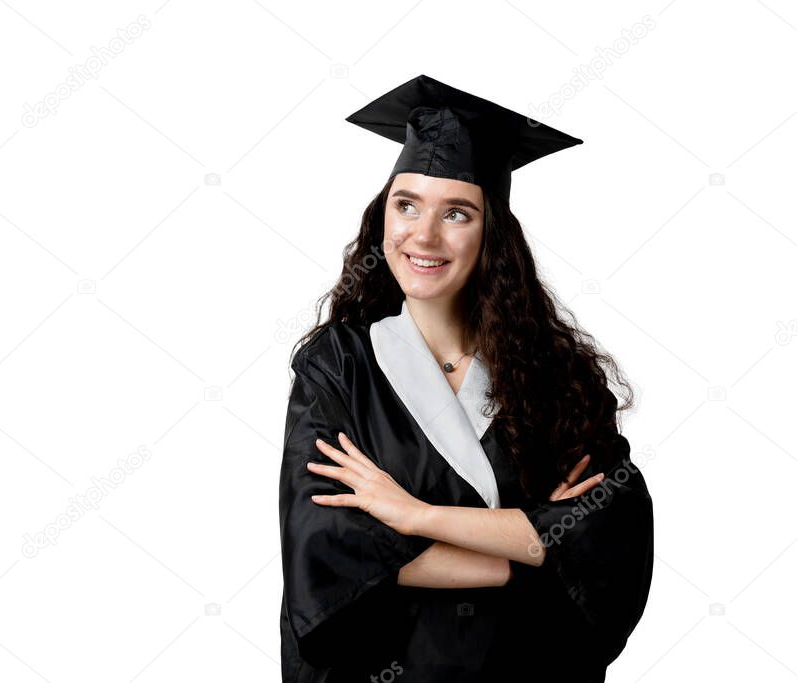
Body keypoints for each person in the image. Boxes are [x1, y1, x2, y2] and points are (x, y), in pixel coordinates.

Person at [278, 74, 654, 682]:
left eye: (456, 213)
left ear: (492, 235)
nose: (422, 236)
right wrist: (526, 546)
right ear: (383, 217)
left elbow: (607, 541)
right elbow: (326, 548)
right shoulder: (339, 365)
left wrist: (411, 517)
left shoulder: (559, 376)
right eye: (406, 205)